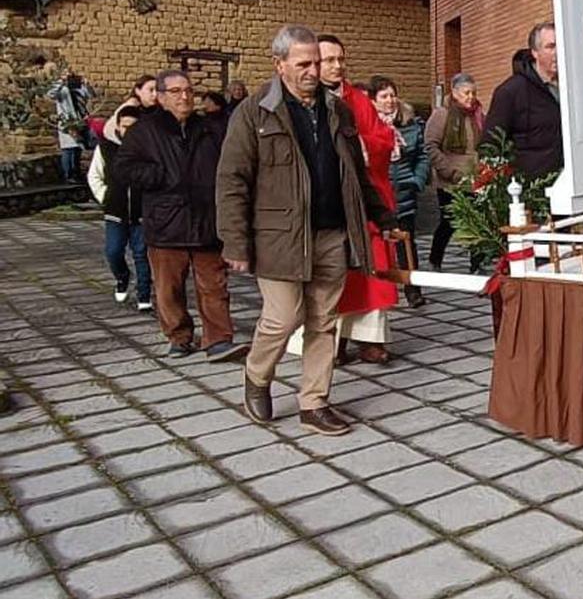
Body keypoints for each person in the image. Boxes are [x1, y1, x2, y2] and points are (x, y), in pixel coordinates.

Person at [217, 25, 400, 436]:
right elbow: (231, 180)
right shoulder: (254, 112)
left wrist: (383, 217)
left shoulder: (338, 110)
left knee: (324, 320)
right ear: (279, 64)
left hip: (332, 233)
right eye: (303, 64)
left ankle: (314, 402)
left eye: (316, 63)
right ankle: (257, 374)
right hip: (279, 237)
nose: (313, 71)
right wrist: (235, 241)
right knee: (283, 318)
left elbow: (356, 174)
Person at [114, 70, 241, 362]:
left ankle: (218, 339)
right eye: (175, 91)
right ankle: (179, 337)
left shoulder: (210, 129)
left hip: (206, 220)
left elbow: (229, 165)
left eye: (189, 91)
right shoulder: (144, 131)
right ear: (160, 97)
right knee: (168, 288)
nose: (184, 97)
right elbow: (123, 168)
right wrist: (159, 176)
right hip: (166, 222)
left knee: (214, 285)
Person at [316, 35, 402, 366]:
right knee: (331, 274)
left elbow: (382, 139)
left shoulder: (358, 99)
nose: (337, 66)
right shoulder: (308, 100)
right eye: (329, 60)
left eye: (341, 59)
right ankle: (332, 341)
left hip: (365, 200)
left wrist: (361, 145)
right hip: (329, 203)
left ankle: (370, 340)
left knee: (372, 271)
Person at [370, 75, 430, 307]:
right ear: (374, 101)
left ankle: (413, 290)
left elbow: (423, 155)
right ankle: (380, 290)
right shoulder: (368, 125)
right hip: (378, 194)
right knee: (380, 245)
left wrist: (417, 180)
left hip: (405, 191)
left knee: (407, 244)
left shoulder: (410, 124)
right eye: (384, 96)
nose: (390, 100)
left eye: (392, 95)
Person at [88, 104, 153, 312]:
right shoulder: (106, 149)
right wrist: (105, 197)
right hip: (115, 212)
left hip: (141, 212)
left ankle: (144, 295)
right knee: (113, 251)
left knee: (141, 254)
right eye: (125, 126)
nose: (128, 131)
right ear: (118, 126)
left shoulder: (149, 149)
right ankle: (122, 277)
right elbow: (94, 175)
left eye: (133, 127)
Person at [484, 22, 563, 177]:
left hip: (571, 182)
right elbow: (490, 146)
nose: (557, 52)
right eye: (550, 46)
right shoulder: (510, 92)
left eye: (560, 45)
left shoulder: (572, 88)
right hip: (532, 186)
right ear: (535, 52)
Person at [426, 72, 486, 272]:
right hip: (450, 181)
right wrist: (449, 172)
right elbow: (431, 146)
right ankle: (435, 259)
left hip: (474, 179)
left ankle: (476, 264)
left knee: (477, 222)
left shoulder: (478, 115)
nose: (471, 97)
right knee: (449, 222)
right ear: (454, 92)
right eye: (466, 93)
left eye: (473, 92)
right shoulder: (442, 114)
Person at [47, 69, 95, 182]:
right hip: (67, 122)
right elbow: (50, 94)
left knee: (78, 148)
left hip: (80, 120)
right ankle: (68, 175)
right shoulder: (62, 90)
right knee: (68, 148)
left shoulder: (79, 88)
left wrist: (87, 85)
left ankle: (76, 173)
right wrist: (61, 81)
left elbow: (91, 95)